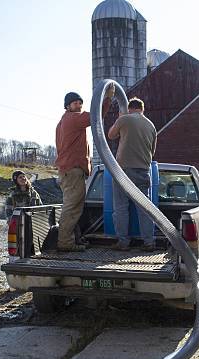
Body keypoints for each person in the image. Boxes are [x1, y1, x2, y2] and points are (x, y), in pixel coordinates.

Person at [55, 84, 115, 252]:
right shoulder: (73, 118)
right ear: (67, 106)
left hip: (68, 170)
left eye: (80, 103)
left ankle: (73, 238)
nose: (79, 106)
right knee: (72, 208)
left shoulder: (63, 122)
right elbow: (96, 117)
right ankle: (65, 242)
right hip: (73, 169)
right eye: (75, 103)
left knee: (73, 206)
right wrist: (107, 99)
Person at [107, 97, 157, 251]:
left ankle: (123, 242)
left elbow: (110, 135)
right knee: (145, 209)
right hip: (143, 170)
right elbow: (152, 152)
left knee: (121, 207)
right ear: (142, 109)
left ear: (129, 108)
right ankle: (149, 242)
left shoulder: (125, 119)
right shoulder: (151, 125)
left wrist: (120, 119)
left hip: (123, 170)